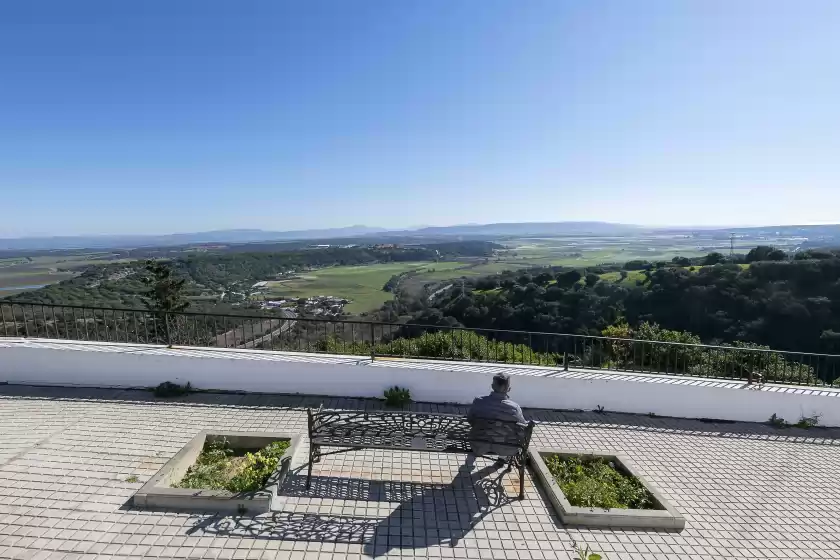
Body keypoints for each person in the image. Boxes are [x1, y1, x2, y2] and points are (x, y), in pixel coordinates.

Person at [466, 372, 527, 467]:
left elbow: (470, 420)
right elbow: (522, 430)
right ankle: (502, 458)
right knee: (506, 437)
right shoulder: (514, 408)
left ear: (492, 386)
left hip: (479, 444)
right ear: (508, 389)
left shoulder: (478, 402)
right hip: (505, 448)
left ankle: (477, 454)